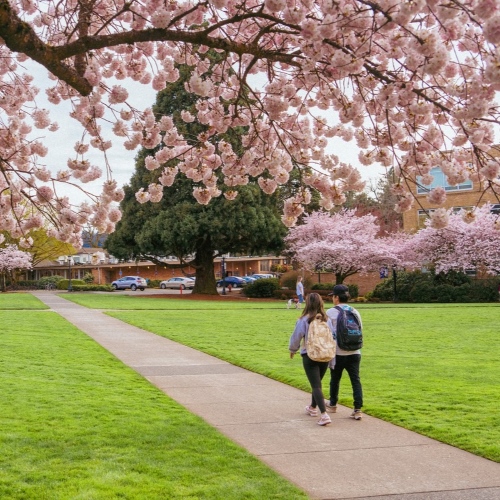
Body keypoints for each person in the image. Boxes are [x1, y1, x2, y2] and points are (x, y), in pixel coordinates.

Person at [289, 293, 332, 426]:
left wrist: (293, 349)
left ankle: (324, 414)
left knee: (315, 385)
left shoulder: (304, 320)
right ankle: (312, 407)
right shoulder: (326, 319)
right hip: (325, 354)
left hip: (309, 355)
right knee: (317, 383)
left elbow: (297, 336)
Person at [325, 284, 364, 420]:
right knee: (355, 380)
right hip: (355, 352)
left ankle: (333, 403)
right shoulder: (355, 311)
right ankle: (358, 409)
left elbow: (327, 333)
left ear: (336, 297)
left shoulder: (330, 313)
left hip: (338, 352)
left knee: (335, 379)